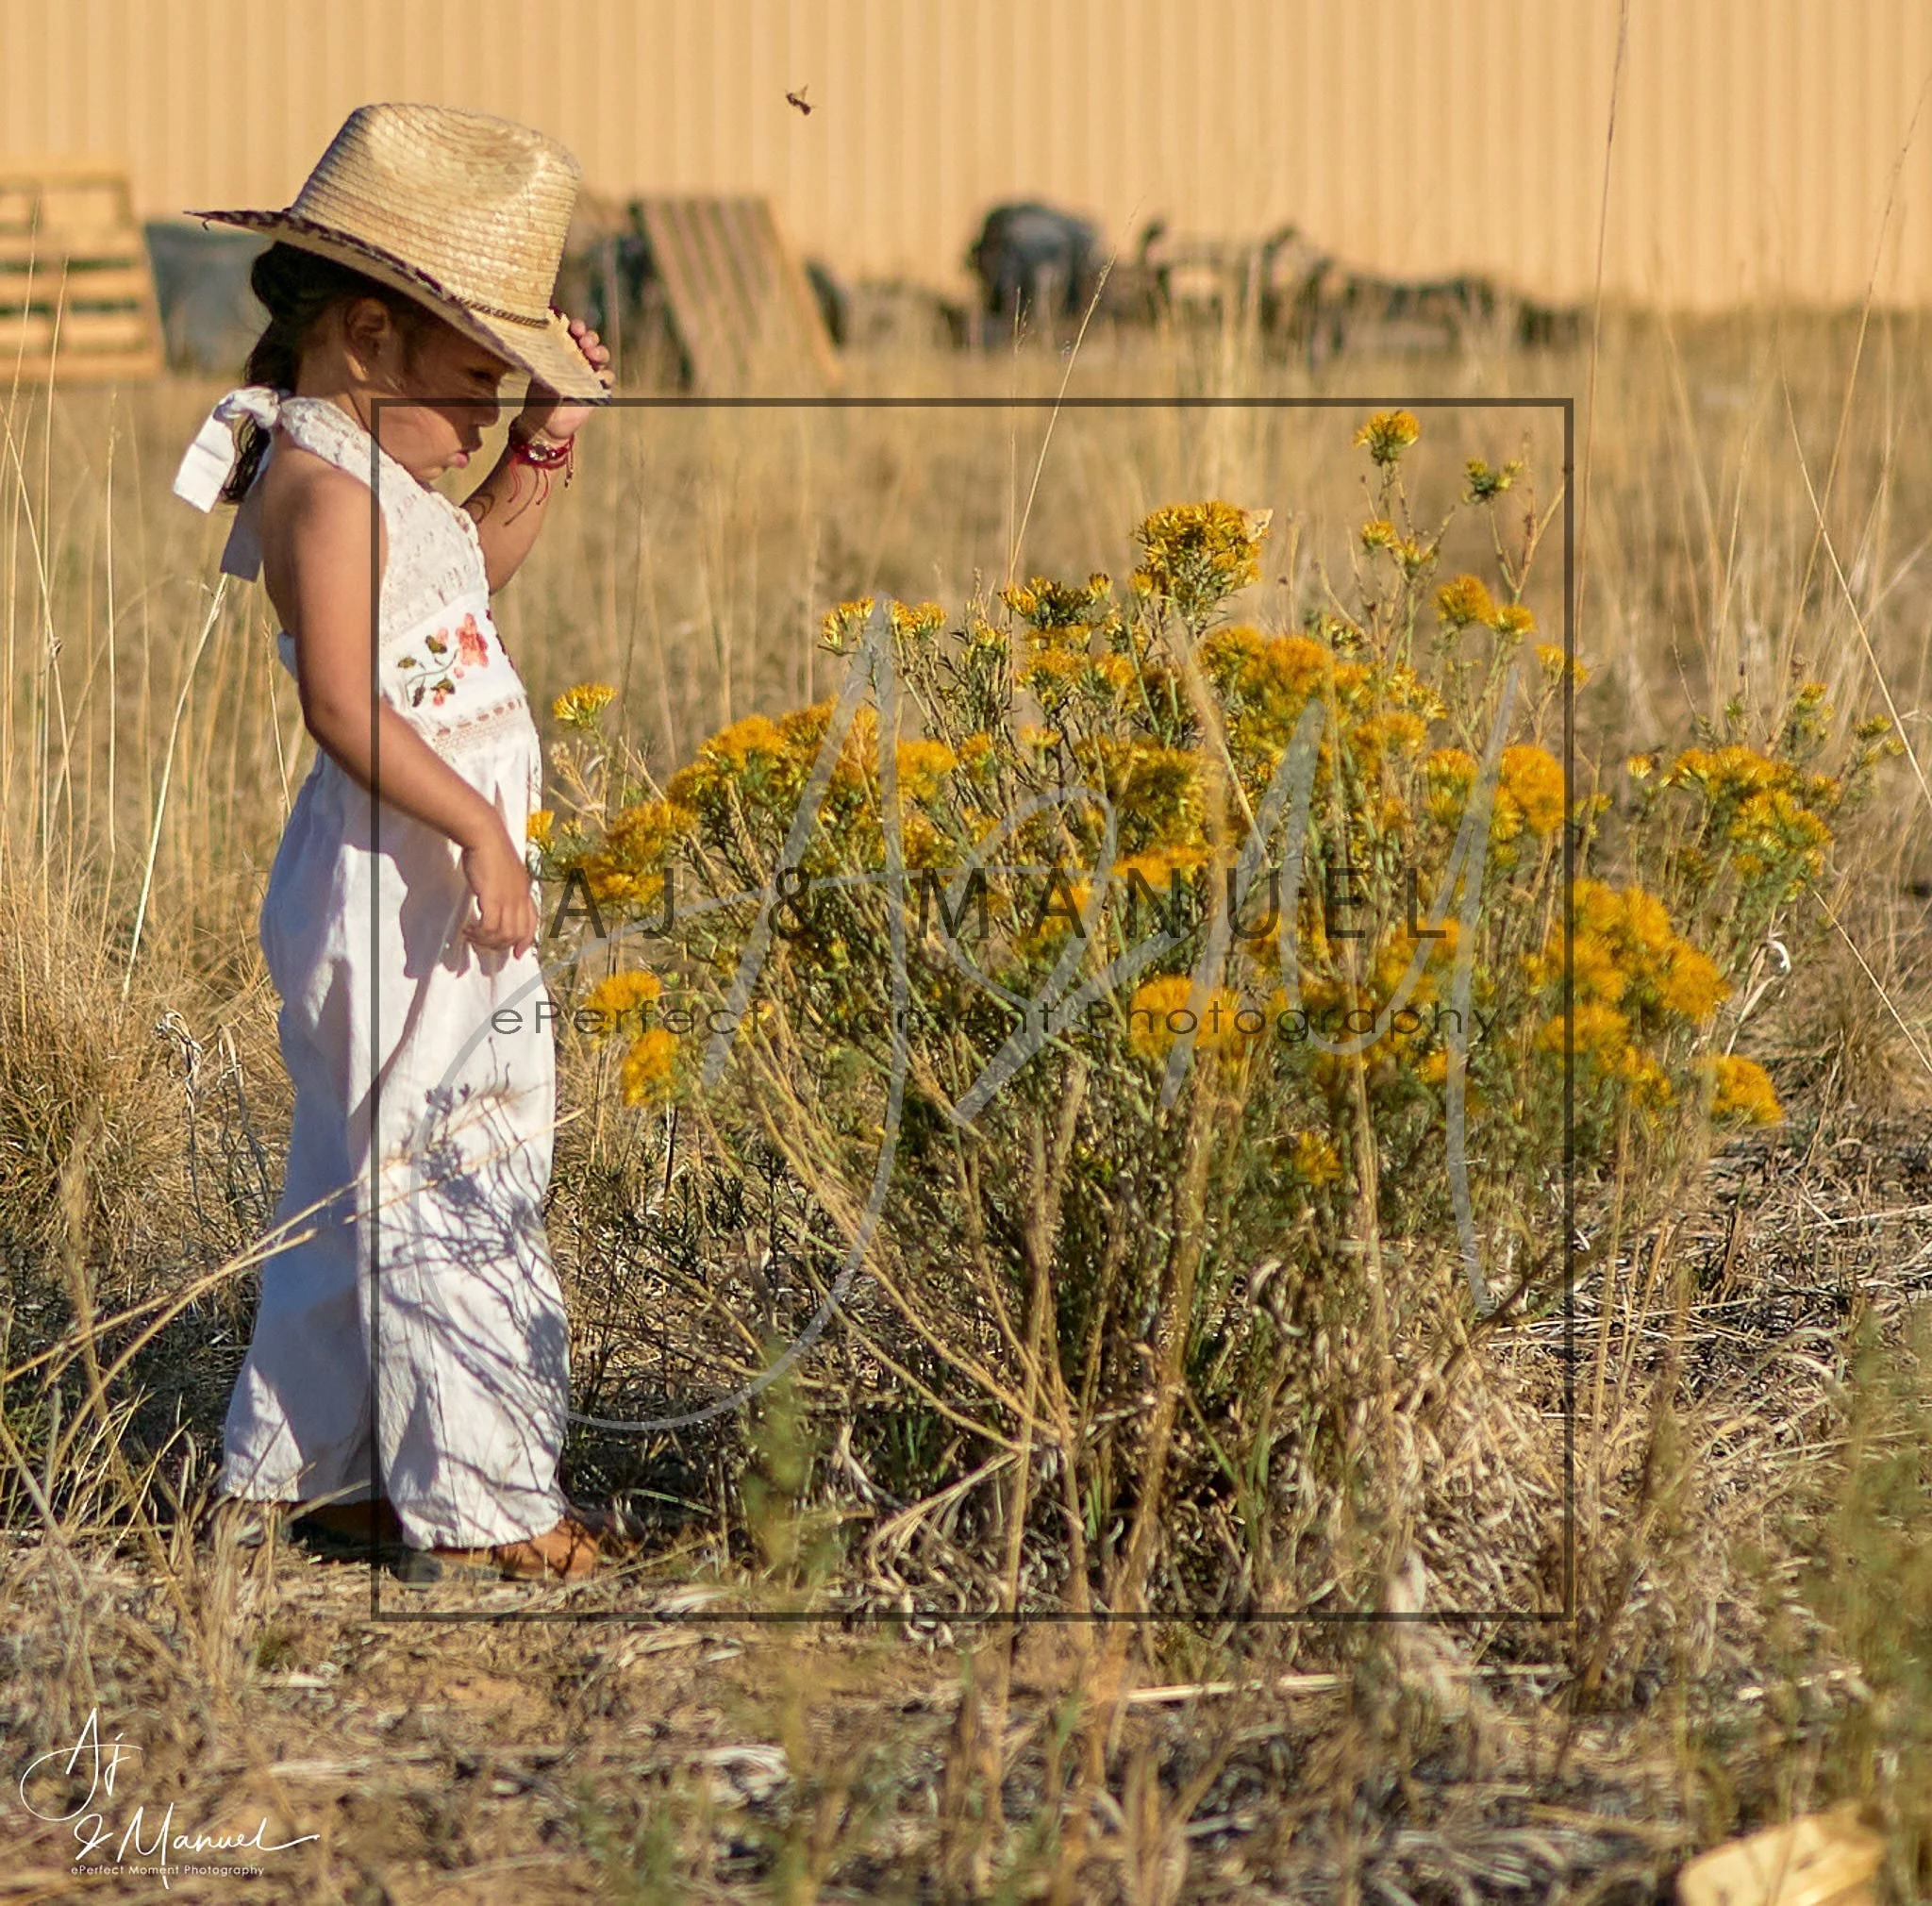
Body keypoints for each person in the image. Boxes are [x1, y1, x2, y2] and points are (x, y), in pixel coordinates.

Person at [175, 103, 619, 1582]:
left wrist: (541, 449)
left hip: (421, 882)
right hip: (399, 883)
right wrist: (482, 828)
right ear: (369, 335)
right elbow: (343, 702)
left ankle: (324, 1471)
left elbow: (463, 583)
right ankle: (487, 1503)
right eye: (482, 378)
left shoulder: (383, 481)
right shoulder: (316, 485)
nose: (488, 411)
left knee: (366, 1167)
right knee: (457, 1162)